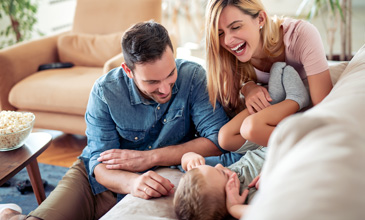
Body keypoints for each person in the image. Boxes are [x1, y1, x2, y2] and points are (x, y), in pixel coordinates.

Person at [0, 21, 234, 220]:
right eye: (152, 82)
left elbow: (216, 140)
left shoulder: (193, 76)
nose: (165, 89)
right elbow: (98, 162)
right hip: (101, 179)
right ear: (128, 71)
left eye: (170, 74)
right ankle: (9, 214)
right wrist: (132, 183)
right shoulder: (105, 91)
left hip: (162, 171)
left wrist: (150, 158)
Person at [205, 0, 333, 149]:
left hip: (305, 110)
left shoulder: (300, 35)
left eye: (235, 27)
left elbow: (323, 110)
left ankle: (304, 149)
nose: (227, 41)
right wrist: (247, 88)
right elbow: (231, 100)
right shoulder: (231, 56)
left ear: (260, 19)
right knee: (225, 138)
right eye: (220, 33)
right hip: (274, 109)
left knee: (251, 127)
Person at [174, 148, 265, 220]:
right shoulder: (250, 199)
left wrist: (190, 158)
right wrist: (235, 208)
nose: (219, 165)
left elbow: (185, 159)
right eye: (223, 173)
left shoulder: (212, 175)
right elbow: (270, 212)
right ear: (228, 199)